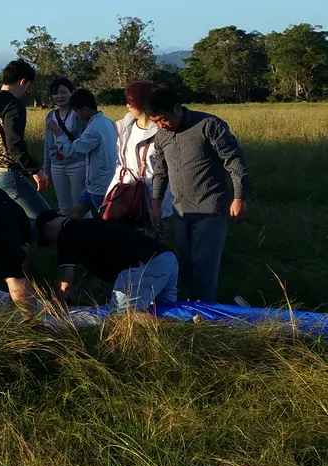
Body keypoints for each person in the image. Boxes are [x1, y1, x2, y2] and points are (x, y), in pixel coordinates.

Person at [144, 87, 250, 303]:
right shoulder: (162, 136)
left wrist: (239, 197)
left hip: (211, 208)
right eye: (155, 122)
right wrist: (156, 204)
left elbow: (235, 161)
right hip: (181, 210)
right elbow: (160, 172)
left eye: (163, 119)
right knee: (183, 265)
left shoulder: (209, 126)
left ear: (177, 108)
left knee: (204, 267)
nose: (161, 125)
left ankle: (204, 316)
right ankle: (188, 310)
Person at [35, 210, 178, 313]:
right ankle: (190, 324)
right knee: (166, 312)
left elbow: (64, 284)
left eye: (49, 240)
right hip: (167, 258)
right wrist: (76, 295)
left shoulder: (67, 235)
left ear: (48, 227)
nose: (54, 244)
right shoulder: (90, 226)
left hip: (143, 267)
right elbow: (94, 276)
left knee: (122, 319)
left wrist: (57, 306)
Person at [0, 59, 51, 219]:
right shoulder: (14, 105)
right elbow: (14, 144)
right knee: (44, 218)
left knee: (3, 223)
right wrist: (35, 171)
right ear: (23, 82)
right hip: (8, 175)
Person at [105, 80, 174, 240]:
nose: (127, 106)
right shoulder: (123, 128)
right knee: (124, 245)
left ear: (142, 103)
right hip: (125, 198)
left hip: (153, 201)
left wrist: (159, 205)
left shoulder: (164, 130)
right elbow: (120, 164)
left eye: (131, 102)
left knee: (152, 248)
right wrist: (110, 193)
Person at [45, 88, 118, 219]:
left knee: (106, 220)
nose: (77, 115)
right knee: (75, 214)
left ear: (85, 109)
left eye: (77, 111)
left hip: (99, 185)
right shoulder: (107, 121)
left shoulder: (93, 130)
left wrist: (57, 133)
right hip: (100, 182)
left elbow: (72, 150)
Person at [42, 77, 88, 217]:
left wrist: (57, 131)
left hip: (77, 164)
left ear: (71, 93)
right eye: (55, 93)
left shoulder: (78, 115)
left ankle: (89, 235)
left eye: (63, 92)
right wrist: (46, 170)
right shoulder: (50, 116)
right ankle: (68, 235)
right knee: (64, 208)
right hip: (57, 166)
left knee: (80, 207)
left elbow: (83, 141)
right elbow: (48, 145)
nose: (59, 96)